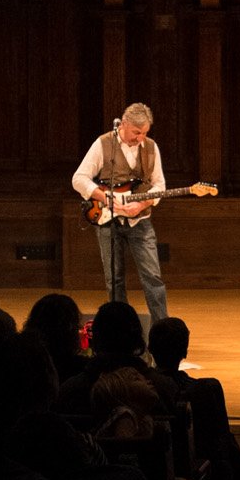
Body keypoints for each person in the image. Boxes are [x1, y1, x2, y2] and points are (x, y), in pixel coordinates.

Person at [72, 101, 169, 335]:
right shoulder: (103, 143)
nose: (141, 138)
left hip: (140, 221)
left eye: (145, 132)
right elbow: (79, 178)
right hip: (109, 222)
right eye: (137, 132)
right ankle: (121, 335)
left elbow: (160, 185)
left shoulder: (151, 147)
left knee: (153, 278)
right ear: (123, 124)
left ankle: (162, 333)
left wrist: (142, 204)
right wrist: (103, 197)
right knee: (114, 281)